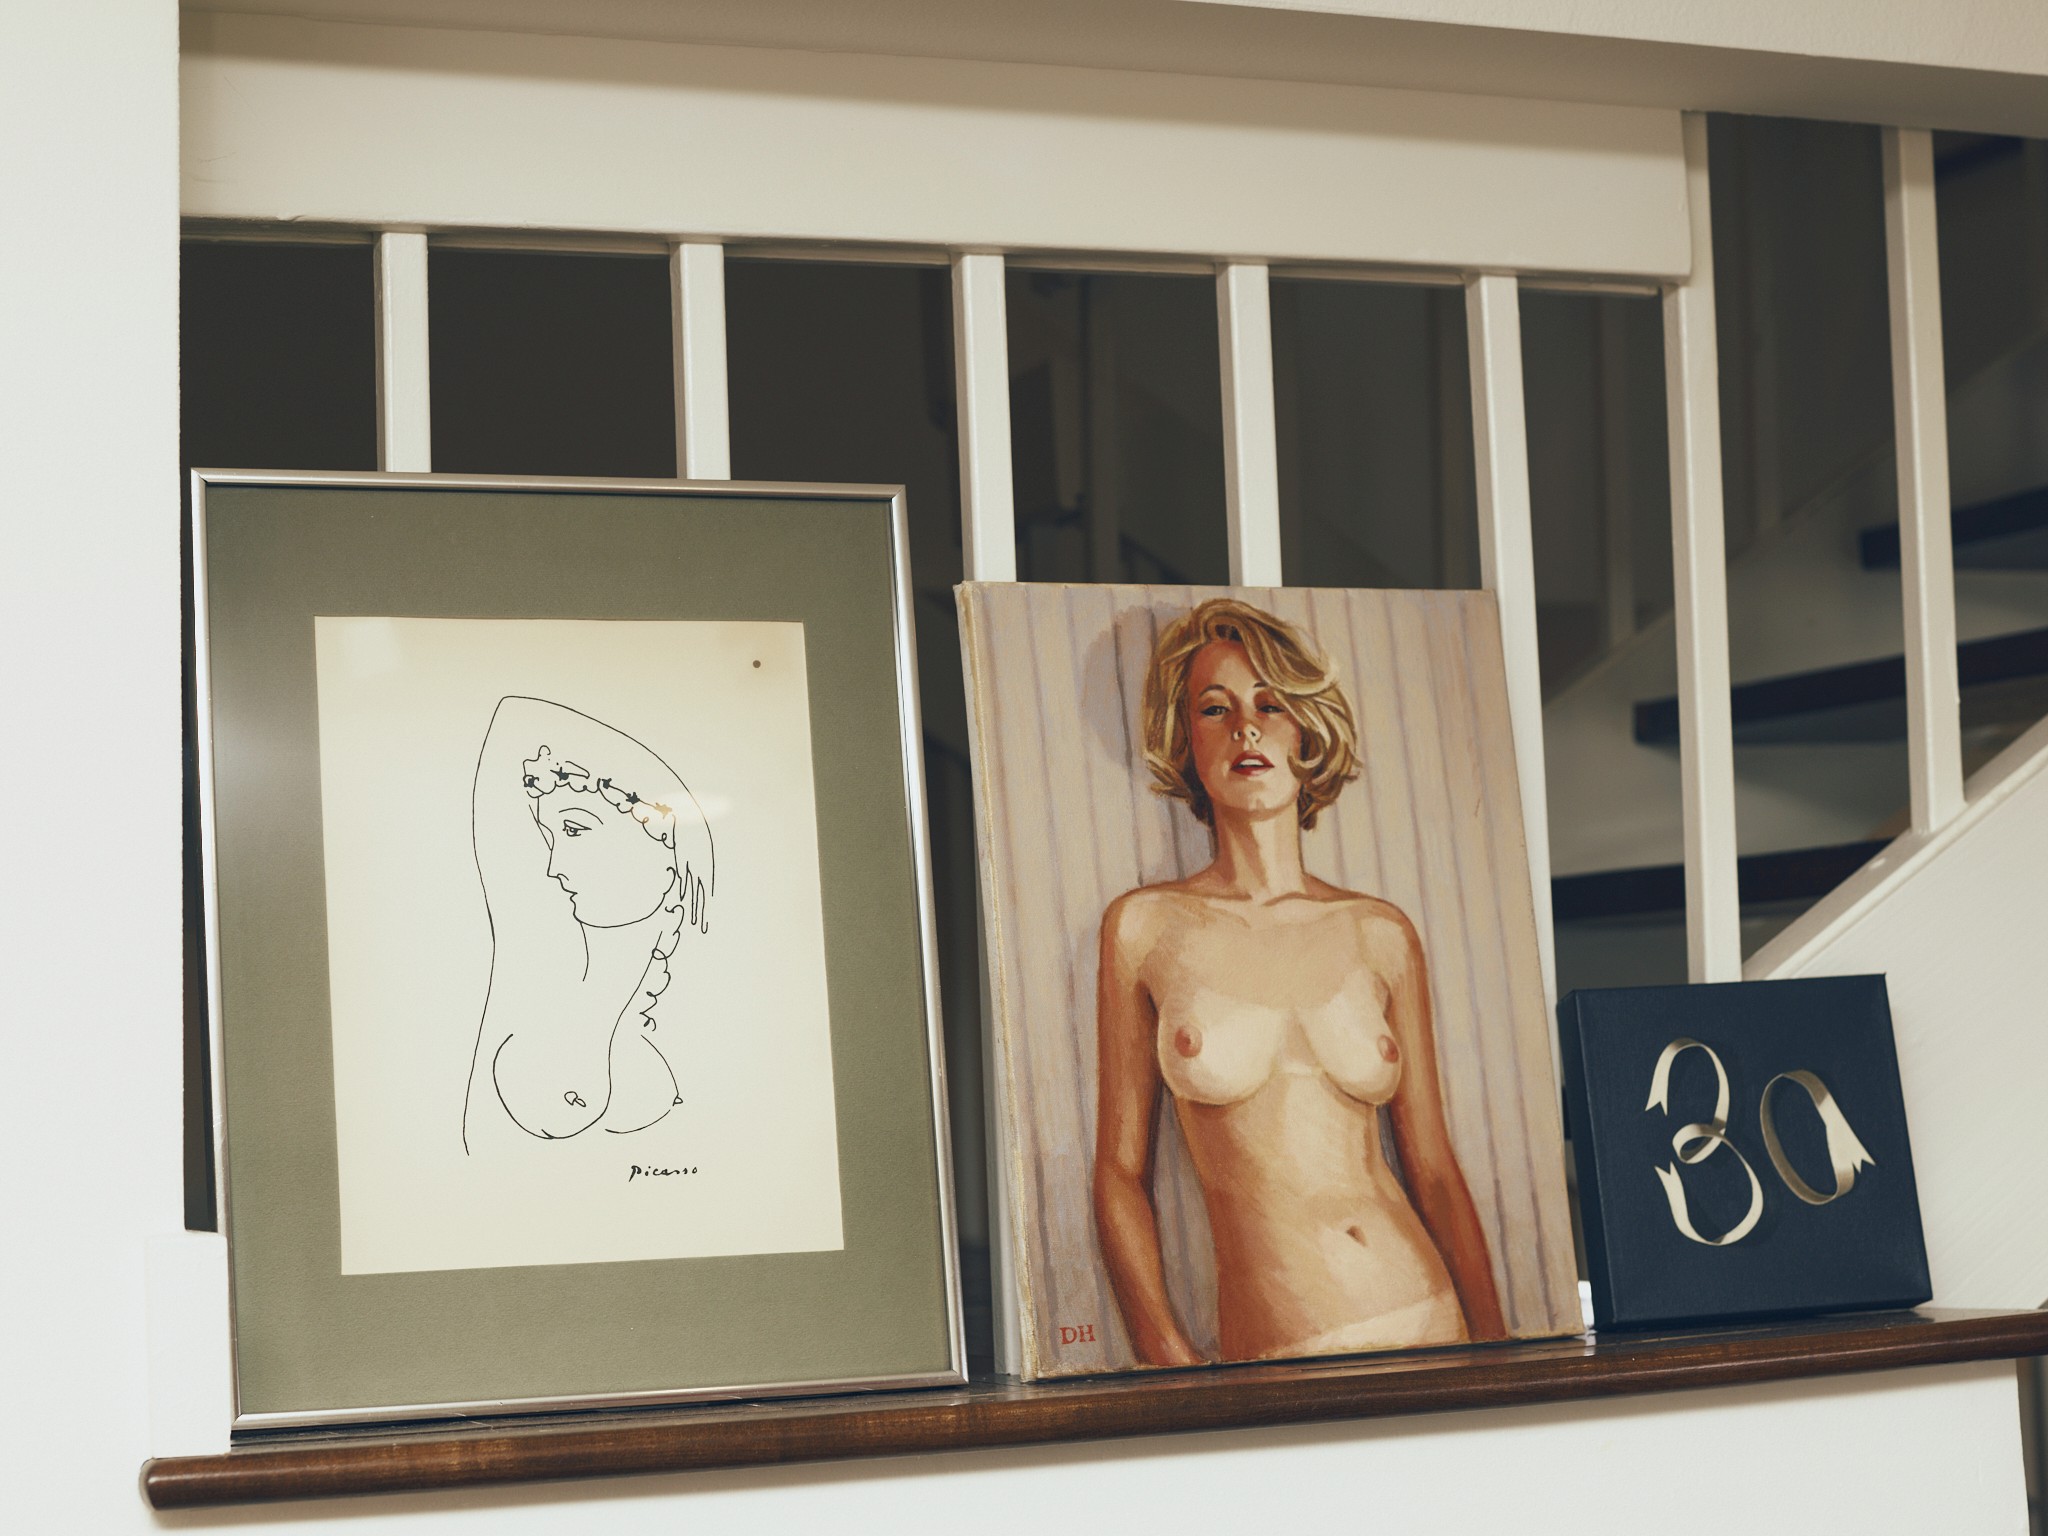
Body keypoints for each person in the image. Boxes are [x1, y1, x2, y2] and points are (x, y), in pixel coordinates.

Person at [1092, 598, 1505, 1364]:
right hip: (1278, 1351)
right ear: (1186, 740)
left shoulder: (1380, 933)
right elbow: (1120, 1173)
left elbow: (1436, 1174)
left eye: (1270, 704)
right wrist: (1165, 1355)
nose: (1246, 729)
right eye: (1215, 708)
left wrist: (1502, 1353)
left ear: (1306, 731)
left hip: (1430, 1321)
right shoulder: (1144, 928)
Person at [462, 695, 714, 1152]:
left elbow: (512, 717)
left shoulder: (669, 1041)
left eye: (575, 830)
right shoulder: (537, 1011)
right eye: (550, 838)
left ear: (666, 842)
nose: (554, 865)